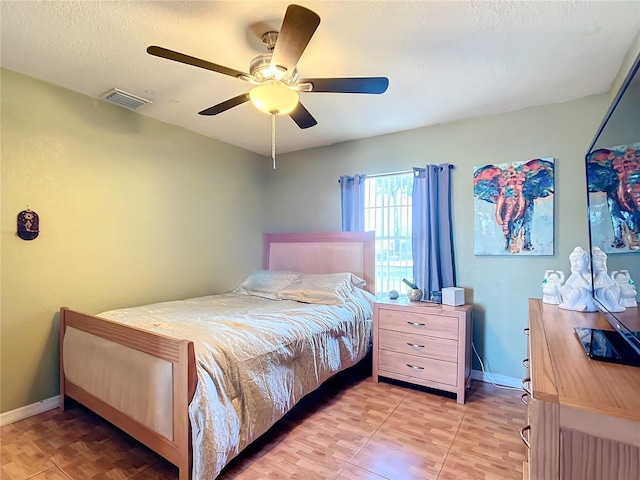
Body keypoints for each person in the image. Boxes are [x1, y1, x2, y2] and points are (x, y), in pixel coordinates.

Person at [559, 247, 597, 312]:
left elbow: (590, 288)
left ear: (587, 261)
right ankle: (573, 305)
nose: (575, 264)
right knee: (564, 287)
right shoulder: (575, 275)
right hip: (576, 300)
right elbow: (567, 284)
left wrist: (579, 275)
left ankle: (570, 305)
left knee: (579, 290)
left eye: (578, 260)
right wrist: (574, 274)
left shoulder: (592, 275)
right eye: (573, 262)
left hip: (586, 299)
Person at [591, 247, 625, 312]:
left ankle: (613, 305)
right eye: (599, 261)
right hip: (597, 294)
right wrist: (600, 274)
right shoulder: (591, 273)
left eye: (603, 261)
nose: (602, 264)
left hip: (605, 294)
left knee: (616, 288)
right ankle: (614, 306)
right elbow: (593, 286)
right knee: (605, 290)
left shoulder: (603, 273)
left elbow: (610, 283)